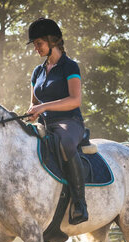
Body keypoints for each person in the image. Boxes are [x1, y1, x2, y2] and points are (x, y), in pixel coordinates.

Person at [26, 17, 88, 225]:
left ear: (53, 41)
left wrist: (43, 107)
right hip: (44, 124)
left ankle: (80, 203)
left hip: (69, 122)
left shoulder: (70, 67)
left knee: (67, 143)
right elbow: (33, 104)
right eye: (35, 45)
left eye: (39, 44)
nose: (36, 48)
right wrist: (32, 113)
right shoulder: (37, 72)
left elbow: (75, 100)